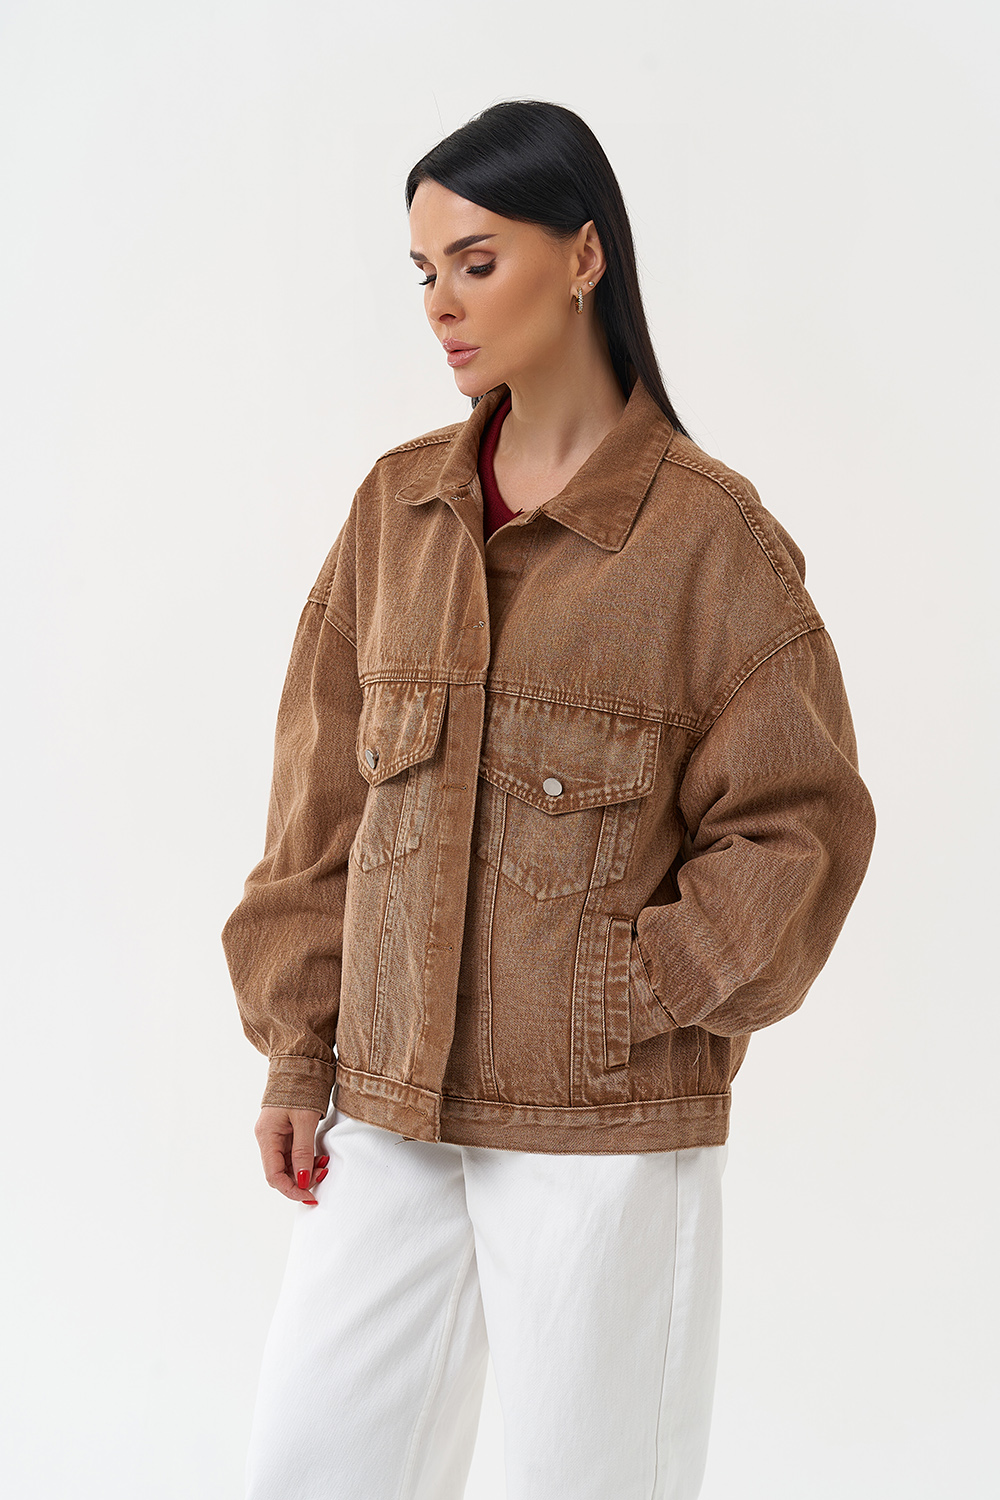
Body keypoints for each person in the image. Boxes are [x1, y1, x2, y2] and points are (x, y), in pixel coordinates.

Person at [221, 99, 877, 1500]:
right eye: (425, 272)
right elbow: (319, 812)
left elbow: (803, 825)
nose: (442, 305)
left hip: (602, 1131)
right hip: (388, 1113)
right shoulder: (397, 513)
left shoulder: (709, 543)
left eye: (477, 261)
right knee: (309, 1468)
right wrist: (296, 1056)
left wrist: (636, 990)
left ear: (584, 256)